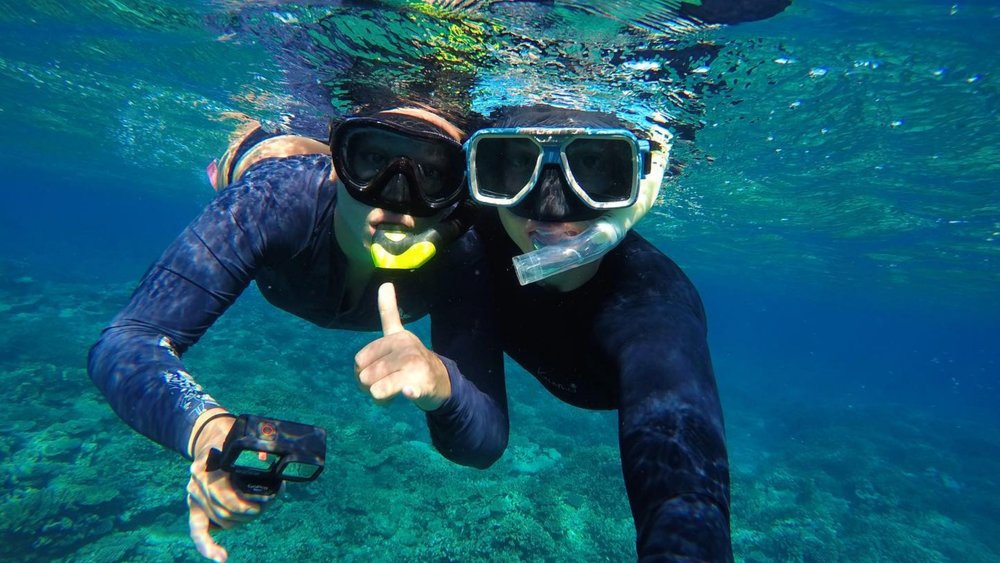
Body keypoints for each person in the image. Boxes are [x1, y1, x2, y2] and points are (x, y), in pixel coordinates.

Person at [87, 105, 506, 563]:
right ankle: (253, 148)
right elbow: (127, 341)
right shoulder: (270, 200)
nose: (395, 201)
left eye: (432, 172)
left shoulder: (462, 253)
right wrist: (208, 430)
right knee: (254, 161)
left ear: (458, 188)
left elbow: (485, 442)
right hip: (271, 164)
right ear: (337, 167)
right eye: (368, 159)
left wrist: (443, 384)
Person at [426, 105, 732, 561]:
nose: (551, 205)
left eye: (591, 165)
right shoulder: (472, 251)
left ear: (628, 186)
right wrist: (440, 389)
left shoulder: (654, 304)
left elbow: (683, 498)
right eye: (515, 164)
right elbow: (480, 443)